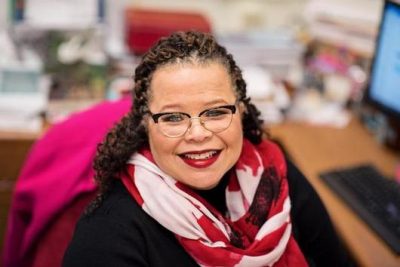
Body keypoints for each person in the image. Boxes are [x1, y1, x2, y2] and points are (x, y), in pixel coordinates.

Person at [63, 31, 352, 267]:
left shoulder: (275, 177)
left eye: (215, 112)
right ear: (145, 124)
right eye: (173, 117)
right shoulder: (106, 233)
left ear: (240, 112)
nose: (198, 134)